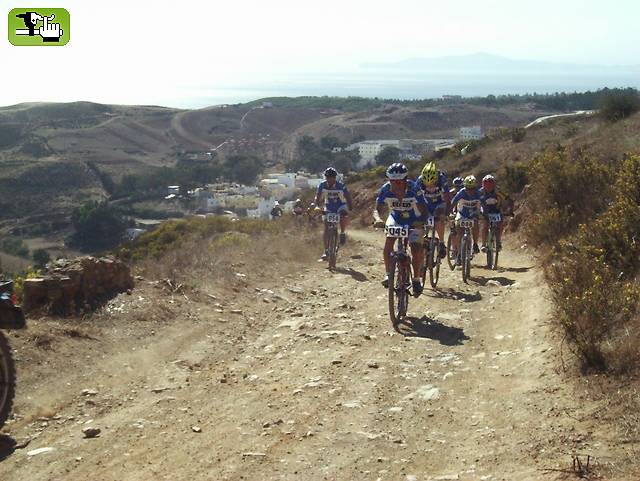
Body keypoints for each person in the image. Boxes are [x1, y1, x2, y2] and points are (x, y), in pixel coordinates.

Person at [373, 163, 428, 296]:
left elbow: (424, 209)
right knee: (388, 243)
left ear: (404, 180)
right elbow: (376, 209)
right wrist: (378, 219)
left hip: (414, 219)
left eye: (398, 181)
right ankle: (388, 274)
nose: (395, 184)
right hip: (396, 218)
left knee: (415, 248)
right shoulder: (385, 189)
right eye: (392, 181)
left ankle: (416, 280)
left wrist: (421, 222)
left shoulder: (414, 188)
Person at [315, 167, 353, 260]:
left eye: (332, 177)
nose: (330, 179)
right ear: (325, 177)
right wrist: (317, 206)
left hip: (340, 206)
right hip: (329, 207)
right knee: (326, 228)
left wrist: (350, 207)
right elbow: (318, 197)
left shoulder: (341, 186)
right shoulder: (322, 185)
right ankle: (326, 250)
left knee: (343, 215)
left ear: (335, 178)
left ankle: (343, 232)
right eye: (328, 177)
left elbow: (348, 197)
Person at [414, 162, 450, 258]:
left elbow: (447, 197)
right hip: (426, 203)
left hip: (439, 203)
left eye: (432, 183)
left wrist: (447, 213)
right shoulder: (419, 181)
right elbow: (415, 199)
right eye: (427, 184)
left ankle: (442, 243)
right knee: (420, 221)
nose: (430, 186)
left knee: (439, 219)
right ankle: (423, 240)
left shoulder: (442, 179)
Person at [449, 175, 483, 262]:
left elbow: (484, 204)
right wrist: (448, 212)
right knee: (459, 232)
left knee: (475, 224)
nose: (470, 191)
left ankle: (475, 244)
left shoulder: (479, 193)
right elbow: (453, 202)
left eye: (472, 188)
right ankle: (459, 252)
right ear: (465, 187)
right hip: (462, 214)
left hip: (473, 214)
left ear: (475, 187)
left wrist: (484, 213)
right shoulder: (461, 192)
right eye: (468, 188)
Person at [479, 174, 510, 252]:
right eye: (486, 185)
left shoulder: (497, 191)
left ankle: (498, 241)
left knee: (500, 225)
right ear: (483, 185)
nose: (488, 187)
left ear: (494, 185)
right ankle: (483, 244)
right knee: (485, 225)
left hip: (496, 210)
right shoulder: (480, 192)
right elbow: (475, 202)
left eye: (490, 185)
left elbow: (508, 199)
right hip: (485, 210)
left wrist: (510, 210)